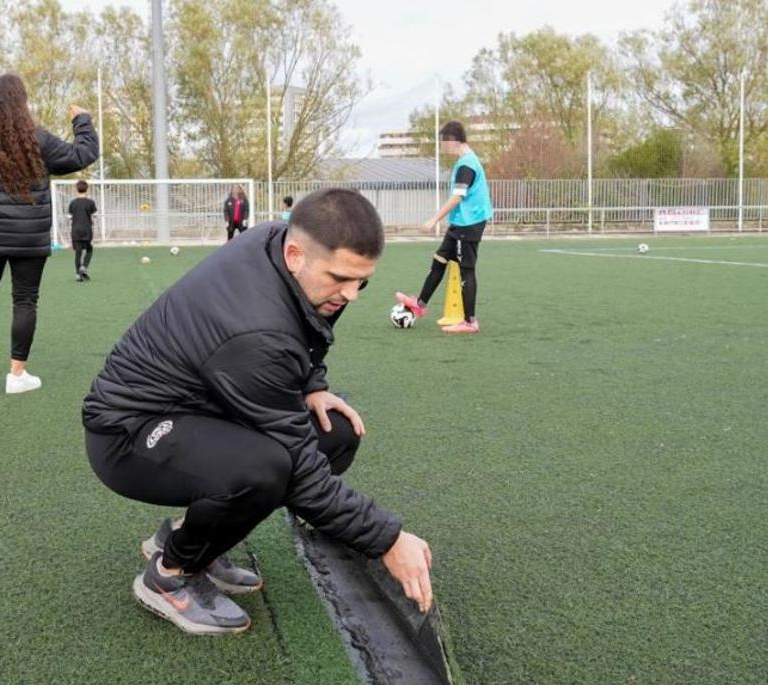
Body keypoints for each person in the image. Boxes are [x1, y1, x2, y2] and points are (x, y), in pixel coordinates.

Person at [83, 187, 434, 635]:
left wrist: (313, 385)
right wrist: (387, 539)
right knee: (266, 468)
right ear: (295, 255)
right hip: (129, 434)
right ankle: (169, 576)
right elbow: (303, 475)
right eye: (340, 278)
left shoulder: (282, 247)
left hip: (202, 402)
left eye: (361, 281)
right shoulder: (257, 331)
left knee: (335, 432)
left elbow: (309, 330)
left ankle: (190, 534)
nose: (352, 295)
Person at [0, 73, 98, 394]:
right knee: (25, 302)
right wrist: (82, 120)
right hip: (28, 237)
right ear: (22, 103)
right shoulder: (39, 140)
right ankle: (17, 377)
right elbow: (82, 155)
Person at [395, 120, 492, 334]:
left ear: (452, 140)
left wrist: (433, 220)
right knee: (439, 260)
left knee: (467, 270)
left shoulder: (467, 164)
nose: (441, 146)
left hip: (469, 224)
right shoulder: (464, 161)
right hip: (460, 223)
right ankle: (419, 305)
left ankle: (470, 322)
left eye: (442, 142)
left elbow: (458, 197)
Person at [67, 179, 97, 282]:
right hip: (87, 230)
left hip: (76, 230)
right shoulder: (90, 202)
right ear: (87, 189)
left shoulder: (73, 203)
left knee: (78, 253)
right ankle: (84, 267)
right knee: (89, 249)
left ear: (77, 189)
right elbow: (94, 215)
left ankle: (78, 274)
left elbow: (69, 216)